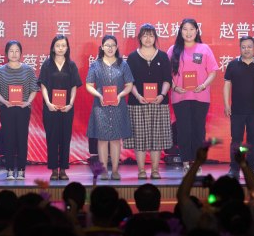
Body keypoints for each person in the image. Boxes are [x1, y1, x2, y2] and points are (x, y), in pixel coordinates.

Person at [168, 18, 218, 173]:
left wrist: (203, 85)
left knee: (198, 130)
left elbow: (213, 72)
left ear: (197, 31)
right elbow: (166, 74)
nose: (188, 33)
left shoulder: (204, 49)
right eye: (185, 29)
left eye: (191, 29)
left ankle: (197, 163)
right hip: (180, 97)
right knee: (183, 130)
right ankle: (185, 162)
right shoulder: (173, 50)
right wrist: (174, 87)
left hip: (200, 97)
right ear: (180, 31)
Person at [126, 24, 173, 180]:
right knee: (139, 138)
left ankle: (155, 170)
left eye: (151, 35)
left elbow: (167, 79)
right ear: (140, 38)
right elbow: (129, 81)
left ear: (155, 38)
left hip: (159, 103)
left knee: (156, 138)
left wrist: (162, 94)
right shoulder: (132, 57)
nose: (148, 39)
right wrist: (138, 95)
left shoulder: (163, 56)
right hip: (137, 103)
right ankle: (141, 170)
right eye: (145, 35)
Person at [85, 35, 133, 181]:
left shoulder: (123, 64)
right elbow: (88, 85)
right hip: (101, 106)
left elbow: (129, 85)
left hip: (118, 105)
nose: (110, 48)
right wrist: (99, 95)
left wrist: (121, 95)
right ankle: (104, 171)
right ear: (102, 47)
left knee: (115, 139)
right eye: (107, 45)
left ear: (117, 47)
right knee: (102, 139)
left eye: (113, 45)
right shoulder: (96, 65)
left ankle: (116, 171)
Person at [223, 36, 254, 179]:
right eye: (243, 47)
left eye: (249, 46)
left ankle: (252, 169)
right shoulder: (233, 65)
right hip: (237, 110)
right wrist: (226, 104)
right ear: (240, 48)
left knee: (253, 142)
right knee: (236, 141)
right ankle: (234, 169)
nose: (246, 49)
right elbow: (227, 85)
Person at [0, 40, 39, 180]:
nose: (14, 54)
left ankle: (22, 170)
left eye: (17, 51)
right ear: (6, 53)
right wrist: (4, 101)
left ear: (21, 53)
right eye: (11, 51)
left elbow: (34, 89)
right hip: (6, 109)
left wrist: (27, 102)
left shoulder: (28, 70)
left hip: (23, 109)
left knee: (22, 138)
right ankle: (10, 170)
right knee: (8, 138)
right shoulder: (0, 72)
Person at [38, 35, 82, 181]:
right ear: (53, 48)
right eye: (58, 45)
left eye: (63, 45)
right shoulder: (47, 65)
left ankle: (63, 169)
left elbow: (74, 86)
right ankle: (53, 170)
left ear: (67, 48)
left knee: (65, 138)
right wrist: (48, 103)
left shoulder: (71, 65)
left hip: (66, 109)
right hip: (50, 108)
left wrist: (70, 104)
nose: (61, 48)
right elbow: (43, 85)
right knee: (52, 138)